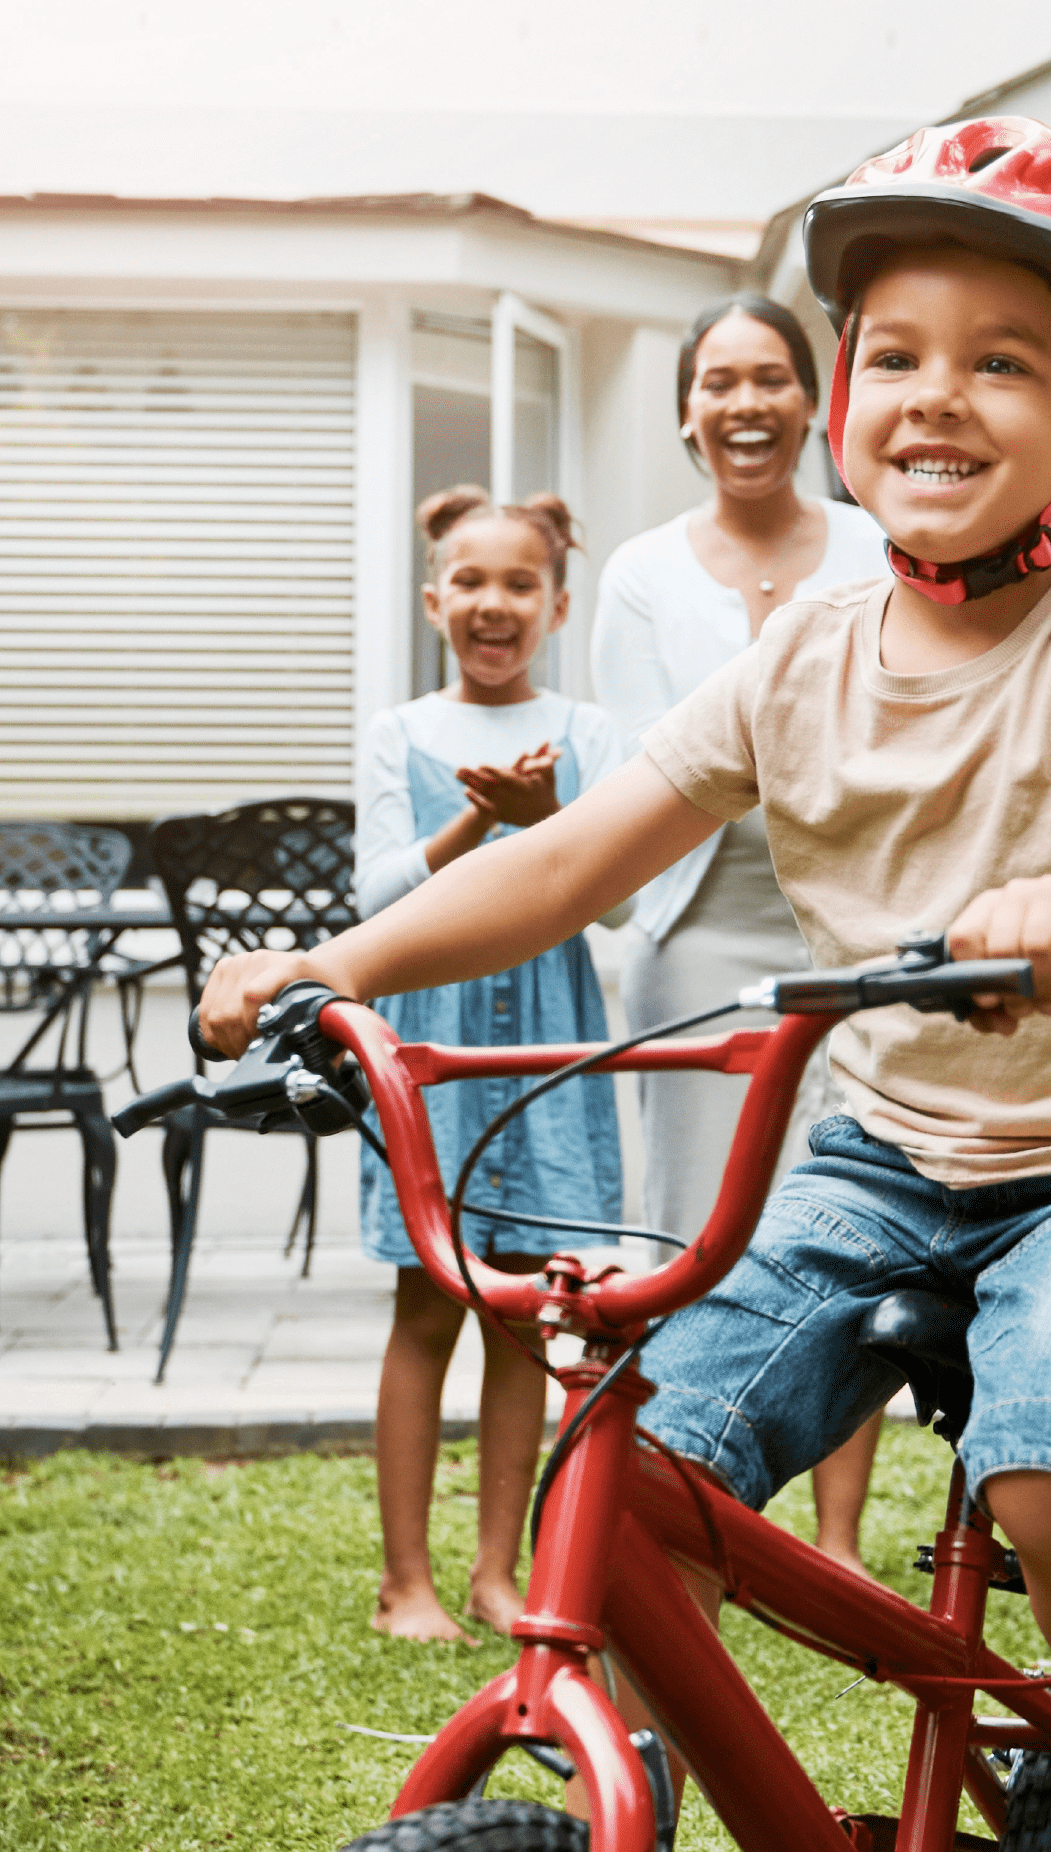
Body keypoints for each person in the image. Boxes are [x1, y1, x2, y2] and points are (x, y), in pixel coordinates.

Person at [202, 118, 1051, 1852]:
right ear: (845, 403)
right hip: (878, 1158)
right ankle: (656, 1793)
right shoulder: (801, 658)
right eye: (898, 355)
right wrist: (342, 959)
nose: (934, 393)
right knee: (632, 1469)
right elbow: (569, 859)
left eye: (1001, 362)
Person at [590, 294, 890, 1570]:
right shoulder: (643, 573)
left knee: (853, 1211)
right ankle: (689, 1502)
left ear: (810, 403)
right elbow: (643, 766)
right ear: (686, 413)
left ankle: (832, 1535)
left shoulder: (880, 547)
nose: (745, 404)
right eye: (719, 382)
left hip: (857, 930)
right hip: (697, 926)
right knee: (692, 1227)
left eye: (770, 377)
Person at [352, 487, 627, 1643]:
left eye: (519, 583)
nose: (492, 602)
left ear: (556, 604)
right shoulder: (399, 734)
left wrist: (552, 813)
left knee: (530, 1316)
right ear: (432, 601)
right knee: (429, 1305)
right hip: (439, 1052)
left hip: (547, 1053)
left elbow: (616, 897)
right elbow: (369, 900)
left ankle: (495, 1574)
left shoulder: (592, 733)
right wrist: (477, 824)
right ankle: (403, 1580)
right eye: (469, 581)